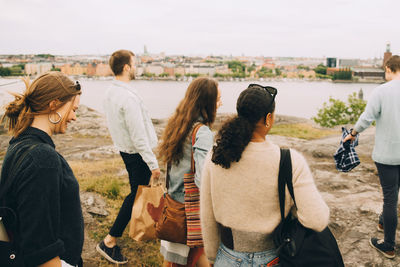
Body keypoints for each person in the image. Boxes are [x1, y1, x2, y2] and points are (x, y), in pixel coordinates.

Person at [200, 84, 330, 266]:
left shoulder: (216, 156)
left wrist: (213, 257)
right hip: (273, 258)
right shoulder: (289, 161)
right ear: (268, 118)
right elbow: (317, 220)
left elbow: (207, 215)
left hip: (227, 257)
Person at [0, 72, 83, 267]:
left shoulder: (19, 142)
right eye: (72, 109)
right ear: (53, 104)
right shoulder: (42, 159)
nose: (74, 117)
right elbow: (40, 249)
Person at [96, 49, 161, 264]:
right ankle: (109, 241)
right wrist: (153, 163)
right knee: (135, 195)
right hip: (137, 153)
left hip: (126, 150)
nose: (136, 68)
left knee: (137, 193)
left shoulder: (110, 93)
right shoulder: (127, 97)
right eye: (134, 64)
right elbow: (138, 136)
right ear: (126, 67)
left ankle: (141, 228)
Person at [158, 77, 221, 267]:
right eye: (218, 99)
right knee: (200, 256)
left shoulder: (179, 123)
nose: (221, 103)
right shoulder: (201, 132)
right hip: (191, 211)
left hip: (174, 205)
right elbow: (203, 179)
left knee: (173, 261)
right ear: (208, 102)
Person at [343, 55, 400, 259]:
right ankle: (384, 221)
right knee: (395, 193)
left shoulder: (381, 91)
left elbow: (367, 118)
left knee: (390, 198)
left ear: (388, 68)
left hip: (387, 155)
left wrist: (353, 133)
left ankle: (389, 244)